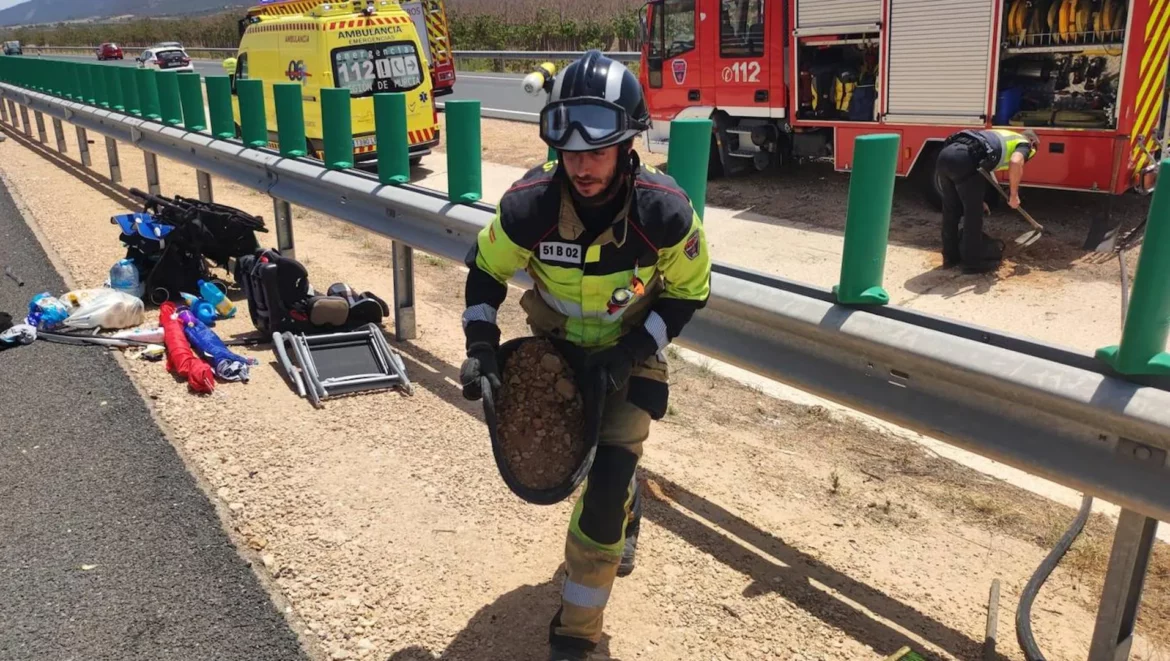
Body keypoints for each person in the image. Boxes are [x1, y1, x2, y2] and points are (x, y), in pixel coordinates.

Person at [457, 50, 712, 661]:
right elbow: (485, 275)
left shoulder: (665, 213)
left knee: (602, 493)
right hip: (557, 355)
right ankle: (626, 500)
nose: (582, 166)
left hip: (629, 351)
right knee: (564, 462)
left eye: (597, 151)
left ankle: (576, 632)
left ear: (628, 145)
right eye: (569, 152)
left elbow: (689, 292)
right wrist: (481, 345)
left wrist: (632, 353)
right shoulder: (529, 207)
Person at [935, 128, 1040, 273]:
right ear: (1032, 141)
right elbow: (1016, 162)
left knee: (950, 210)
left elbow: (984, 167)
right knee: (973, 214)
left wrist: (980, 198)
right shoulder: (1024, 144)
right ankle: (971, 264)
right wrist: (1014, 195)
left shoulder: (1002, 135)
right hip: (966, 159)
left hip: (945, 156)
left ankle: (950, 258)